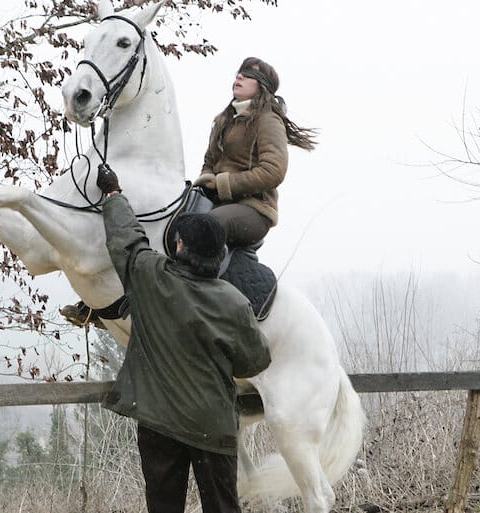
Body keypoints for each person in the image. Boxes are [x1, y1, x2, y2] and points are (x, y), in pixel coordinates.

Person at [96, 166, 272, 513]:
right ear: (219, 254)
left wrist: (113, 194)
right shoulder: (234, 302)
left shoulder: (150, 276)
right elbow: (255, 361)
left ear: (179, 246)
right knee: (223, 507)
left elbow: (126, 239)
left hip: (159, 424)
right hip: (212, 426)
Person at [194, 57, 318, 247]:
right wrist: (206, 180)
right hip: (217, 203)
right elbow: (209, 162)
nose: (240, 76)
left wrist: (222, 184)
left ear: (262, 85)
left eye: (249, 74)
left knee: (208, 225)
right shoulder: (222, 120)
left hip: (255, 209)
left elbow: (273, 171)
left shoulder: (268, 119)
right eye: (239, 73)